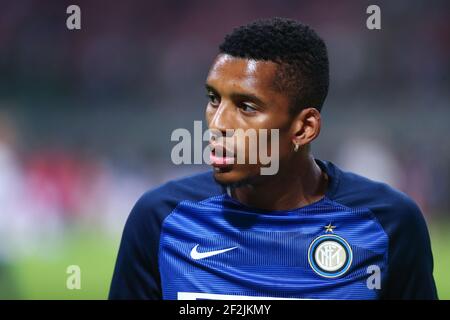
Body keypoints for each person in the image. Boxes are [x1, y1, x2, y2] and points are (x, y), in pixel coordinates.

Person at [109, 17, 437, 300]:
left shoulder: (388, 224)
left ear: (304, 128)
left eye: (246, 106)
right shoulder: (161, 221)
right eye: (213, 99)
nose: (217, 123)